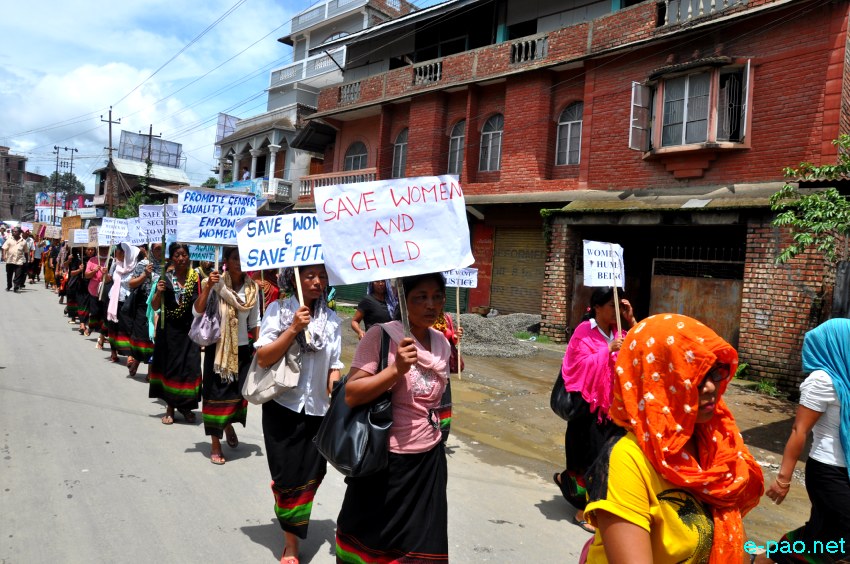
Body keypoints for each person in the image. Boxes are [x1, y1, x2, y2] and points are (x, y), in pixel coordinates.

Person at [583, 313, 765, 563]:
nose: (711, 387)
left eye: (714, 373)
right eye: (695, 376)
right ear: (656, 380)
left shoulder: (716, 440)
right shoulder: (626, 462)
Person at [335, 272, 452, 563]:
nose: (431, 304)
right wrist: (395, 370)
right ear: (403, 299)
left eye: (437, 296)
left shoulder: (442, 343)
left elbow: (438, 401)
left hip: (428, 464)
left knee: (421, 550)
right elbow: (352, 393)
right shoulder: (382, 336)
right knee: (371, 543)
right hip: (385, 463)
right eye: (420, 297)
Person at [254, 264, 343, 564]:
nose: (317, 282)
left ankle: (284, 494)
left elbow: (334, 366)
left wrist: (338, 389)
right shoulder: (278, 311)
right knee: (289, 479)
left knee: (313, 476)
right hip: (282, 408)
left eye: (322, 276)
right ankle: (290, 545)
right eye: (310, 275)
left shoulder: (332, 320)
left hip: (318, 411)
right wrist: (292, 328)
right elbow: (263, 357)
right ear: (294, 277)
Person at [762, 318, 850, 563]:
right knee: (839, 530)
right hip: (827, 470)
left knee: (823, 531)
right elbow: (798, 431)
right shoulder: (821, 381)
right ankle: (776, 557)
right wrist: (783, 479)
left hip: (846, 471)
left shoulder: (847, 377)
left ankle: (769, 559)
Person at [554, 287, 635, 534]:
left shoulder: (621, 331)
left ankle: (571, 488)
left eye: (620, 306)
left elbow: (643, 347)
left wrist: (631, 319)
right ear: (597, 307)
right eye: (612, 306)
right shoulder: (583, 331)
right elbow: (575, 367)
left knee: (607, 460)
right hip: (586, 410)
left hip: (611, 409)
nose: (617, 311)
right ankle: (582, 510)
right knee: (587, 462)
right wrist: (607, 349)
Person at [193, 246, 259, 465]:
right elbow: (197, 311)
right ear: (226, 261)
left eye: (243, 258)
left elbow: (254, 323)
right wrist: (207, 289)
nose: (240, 262)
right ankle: (215, 443)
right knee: (215, 397)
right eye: (235, 258)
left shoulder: (253, 290)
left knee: (238, 395)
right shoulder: (215, 284)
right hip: (218, 351)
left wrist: (259, 349)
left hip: (242, 351)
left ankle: (228, 423)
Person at [148, 243, 202, 425]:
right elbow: (155, 306)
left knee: (190, 368)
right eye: (177, 255)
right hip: (169, 331)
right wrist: (159, 292)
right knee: (171, 368)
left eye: (184, 254)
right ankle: (170, 406)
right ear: (171, 257)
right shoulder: (164, 278)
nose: (181, 258)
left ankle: (186, 407)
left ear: (189, 256)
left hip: (190, 331)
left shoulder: (197, 278)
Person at [126, 244, 161, 378]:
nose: (160, 251)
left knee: (154, 339)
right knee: (142, 338)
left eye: (162, 248)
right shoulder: (144, 264)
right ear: (152, 250)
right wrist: (144, 275)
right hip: (143, 307)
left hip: (159, 308)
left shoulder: (168, 265)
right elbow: (131, 283)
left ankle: (151, 371)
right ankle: (137, 361)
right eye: (157, 248)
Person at [105, 243, 140, 369]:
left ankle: (129, 355)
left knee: (127, 327)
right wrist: (105, 275)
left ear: (125, 253)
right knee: (113, 327)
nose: (116, 254)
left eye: (118, 252)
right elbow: (109, 279)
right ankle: (113, 352)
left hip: (127, 302)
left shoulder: (135, 267)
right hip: (114, 300)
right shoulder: (115, 264)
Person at [83, 246, 110, 339]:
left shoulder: (111, 261)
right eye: (101, 249)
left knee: (105, 314)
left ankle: (102, 335)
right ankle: (91, 327)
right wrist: (94, 270)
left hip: (106, 291)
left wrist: (106, 273)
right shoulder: (92, 260)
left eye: (106, 249)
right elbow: (86, 275)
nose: (104, 251)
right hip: (94, 290)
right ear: (98, 249)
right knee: (94, 312)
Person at [2, 227, 28, 292]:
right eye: (13, 231)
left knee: (18, 275)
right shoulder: (9, 240)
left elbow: (26, 251)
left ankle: (16, 287)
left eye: (15, 231)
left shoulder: (24, 241)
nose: (14, 232)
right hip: (10, 260)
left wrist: (26, 261)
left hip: (19, 261)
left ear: (19, 233)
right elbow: (4, 248)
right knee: (9, 274)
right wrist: (4, 255)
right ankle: (9, 286)